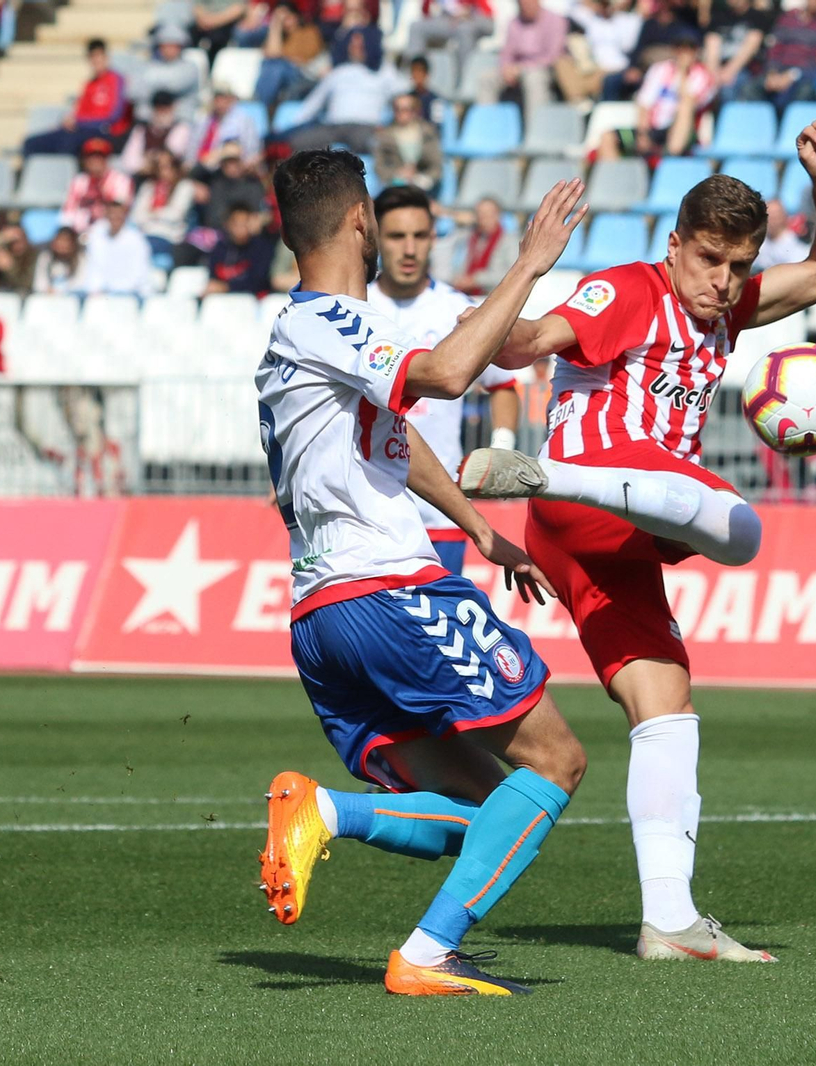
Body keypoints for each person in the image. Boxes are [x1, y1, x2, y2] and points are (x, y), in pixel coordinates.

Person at [460, 120, 816, 963]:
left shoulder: (732, 308)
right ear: (675, 243)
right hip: (596, 481)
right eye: (710, 258)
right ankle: (541, 471)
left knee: (667, 709)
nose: (724, 281)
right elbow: (535, 342)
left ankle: (669, 923)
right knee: (743, 531)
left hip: (616, 537)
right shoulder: (632, 289)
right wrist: (518, 285)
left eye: (740, 264)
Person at [255, 151, 587, 997]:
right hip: (390, 592)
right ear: (361, 222)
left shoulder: (310, 334)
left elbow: (394, 439)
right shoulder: (324, 320)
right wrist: (528, 265)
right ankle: (427, 950)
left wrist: (479, 528)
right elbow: (442, 375)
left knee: (486, 814)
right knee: (556, 762)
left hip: (324, 614)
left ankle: (331, 814)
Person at [366, 185, 522, 574]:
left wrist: (501, 448)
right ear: (376, 238)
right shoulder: (356, 311)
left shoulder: (457, 311)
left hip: (440, 517)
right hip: (366, 518)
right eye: (397, 236)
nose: (409, 248)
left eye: (419, 236)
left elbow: (503, 386)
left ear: (434, 238)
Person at [280, 32, 403, 154]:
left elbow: (403, 97)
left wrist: (389, 125)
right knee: (296, 143)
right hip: (333, 127)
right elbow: (313, 103)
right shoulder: (338, 72)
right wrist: (295, 126)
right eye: (353, 46)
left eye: (361, 46)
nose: (356, 50)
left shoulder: (384, 72)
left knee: (378, 145)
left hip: (365, 128)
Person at [604, 31, 714, 158]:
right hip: (654, 129)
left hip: (684, 132)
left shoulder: (703, 75)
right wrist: (642, 134)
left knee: (685, 107)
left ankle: (671, 157)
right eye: (680, 48)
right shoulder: (659, 69)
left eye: (689, 49)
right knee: (608, 137)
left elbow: (691, 102)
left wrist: (683, 72)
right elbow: (644, 103)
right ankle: (617, 175)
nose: (684, 53)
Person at [21, 39, 131, 157]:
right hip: (82, 129)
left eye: (99, 56)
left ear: (106, 57)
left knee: (67, 144)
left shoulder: (116, 80)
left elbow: (114, 116)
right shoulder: (89, 84)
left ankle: (62, 173)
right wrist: (68, 121)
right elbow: (80, 112)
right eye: (92, 57)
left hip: (105, 132)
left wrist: (79, 122)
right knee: (32, 143)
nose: (96, 60)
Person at [479, 0, 567, 116]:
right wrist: (506, 68)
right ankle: (486, 124)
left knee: (534, 78)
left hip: (544, 70)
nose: (525, 6)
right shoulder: (514, 22)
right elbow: (507, 53)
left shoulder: (556, 21)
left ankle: (535, 129)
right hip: (515, 69)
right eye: (522, 3)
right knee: (485, 78)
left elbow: (553, 56)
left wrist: (521, 68)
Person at [750, 0, 816, 108]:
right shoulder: (788, 18)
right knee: (750, 88)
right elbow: (775, 48)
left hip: (805, 76)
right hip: (778, 71)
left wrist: (791, 75)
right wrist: (772, 72)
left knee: (804, 92)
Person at [439, 197, 517, 296]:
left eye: (488, 214)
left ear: (498, 215)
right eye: (479, 213)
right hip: (465, 293)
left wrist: (476, 280)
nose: (483, 218)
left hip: (493, 295)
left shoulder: (509, 241)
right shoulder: (468, 237)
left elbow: (512, 273)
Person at [80, 198, 155, 298]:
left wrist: (118, 291)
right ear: (106, 216)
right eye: (112, 214)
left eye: (119, 215)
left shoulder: (137, 240)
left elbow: (140, 274)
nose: (115, 218)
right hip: (103, 292)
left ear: (125, 216)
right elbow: (94, 268)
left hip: (131, 292)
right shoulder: (97, 237)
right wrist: (96, 290)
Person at [697, 0, 768, 102]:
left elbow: (751, 47)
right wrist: (714, 74)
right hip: (718, 68)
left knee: (728, 88)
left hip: (744, 69)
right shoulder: (718, 16)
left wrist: (729, 72)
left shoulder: (756, 17)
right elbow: (712, 44)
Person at [185, 83, 263, 174]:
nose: (220, 102)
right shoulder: (204, 119)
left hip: (229, 169)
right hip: (202, 168)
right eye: (217, 98)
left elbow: (251, 151)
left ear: (231, 99)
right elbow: (193, 146)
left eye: (224, 98)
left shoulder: (243, 121)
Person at [59, 138, 134, 232]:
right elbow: (67, 212)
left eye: (100, 156)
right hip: (78, 234)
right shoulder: (78, 181)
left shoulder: (121, 180)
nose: (95, 161)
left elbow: (119, 212)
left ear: (107, 159)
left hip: (109, 234)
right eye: (91, 156)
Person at [372, 93, 443, 192]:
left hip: (423, 185)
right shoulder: (385, 136)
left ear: (415, 111)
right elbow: (379, 165)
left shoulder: (428, 133)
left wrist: (423, 178)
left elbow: (436, 164)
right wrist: (396, 175)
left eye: (406, 109)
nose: (401, 113)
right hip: (394, 186)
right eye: (397, 109)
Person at [131, 149, 195, 258]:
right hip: (145, 235)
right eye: (159, 167)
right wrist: (159, 215)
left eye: (167, 167)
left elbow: (175, 215)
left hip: (170, 238)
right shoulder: (148, 187)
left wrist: (152, 213)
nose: (162, 172)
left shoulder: (185, 186)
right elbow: (136, 217)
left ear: (176, 168)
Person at [203, 203, 275, 294]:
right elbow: (213, 277)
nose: (241, 227)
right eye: (236, 223)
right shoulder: (219, 249)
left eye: (245, 222)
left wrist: (227, 287)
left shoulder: (262, 248)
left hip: (253, 300)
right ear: (227, 224)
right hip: (223, 300)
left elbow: (259, 281)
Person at [136, 24, 203, 120]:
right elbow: (134, 92)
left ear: (181, 47)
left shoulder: (190, 67)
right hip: (150, 120)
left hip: (180, 119)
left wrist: (152, 85)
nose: (169, 49)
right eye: (165, 45)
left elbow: (173, 87)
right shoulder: (148, 65)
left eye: (174, 45)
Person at [120, 91, 194, 177]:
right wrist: (145, 164)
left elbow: (172, 153)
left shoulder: (181, 127)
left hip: (172, 179)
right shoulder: (142, 130)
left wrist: (152, 158)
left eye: (165, 108)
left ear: (172, 107)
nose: (162, 112)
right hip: (144, 178)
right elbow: (128, 161)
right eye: (158, 108)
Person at [405, 0, 493, 58]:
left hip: (474, 20)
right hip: (447, 20)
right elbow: (426, 12)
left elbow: (483, 11)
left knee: (464, 30)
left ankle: (465, 79)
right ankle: (415, 72)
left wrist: (462, 15)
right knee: (416, 27)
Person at [753, 199, 810, 270]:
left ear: (784, 217)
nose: (771, 220)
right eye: (768, 216)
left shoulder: (799, 249)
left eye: (775, 216)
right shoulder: (760, 244)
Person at [33, 226, 85, 294]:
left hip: (71, 298)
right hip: (47, 297)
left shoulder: (81, 258)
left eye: (66, 241)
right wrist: (48, 289)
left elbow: (80, 283)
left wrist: (60, 290)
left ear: (73, 244)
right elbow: (38, 283)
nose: (62, 244)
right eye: (59, 240)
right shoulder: (45, 257)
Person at [0, 223, 37, 293]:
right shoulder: (3, 253)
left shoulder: (33, 256)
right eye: (12, 242)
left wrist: (11, 268)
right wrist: (0, 238)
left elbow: (26, 284)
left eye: (19, 240)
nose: (17, 245)